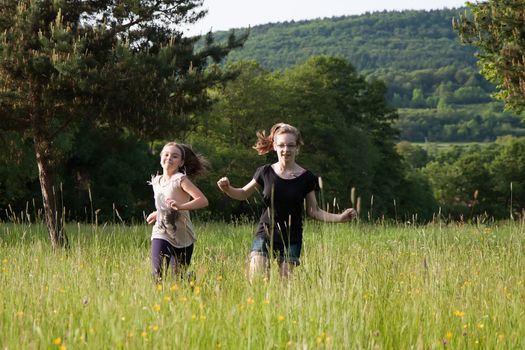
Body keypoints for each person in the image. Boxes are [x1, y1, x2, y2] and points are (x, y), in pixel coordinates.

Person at [217, 122, 357, 280]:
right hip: (265, 233)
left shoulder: (307, 178)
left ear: (297, 147)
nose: (286, 150)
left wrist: (340, 218)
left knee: (285, 287)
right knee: (256, 281)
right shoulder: (265, 172)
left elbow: (314, 211)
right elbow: (242, 193)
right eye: (282, 145)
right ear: (274, 146)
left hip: (292, 237)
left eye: (291, 145)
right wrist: (227, 188)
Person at [146, 142, 209, 282]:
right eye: (166, 154)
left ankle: (189, 281)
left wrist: (181, 206)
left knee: (178, 281)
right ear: (161, 157)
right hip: (161, 232)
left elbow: (203, 200)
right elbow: (166, 205)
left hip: (183, 236)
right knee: (157, 275)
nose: (169, 158)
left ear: (181, 162)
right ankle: (157, 301)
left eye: (175, 156)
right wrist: (157, 213)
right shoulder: (156, 181)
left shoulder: (180, 179)